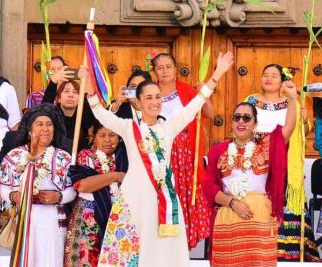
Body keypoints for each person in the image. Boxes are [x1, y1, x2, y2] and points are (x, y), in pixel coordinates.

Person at [82, 51, 233, 266]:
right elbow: (100, 113)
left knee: (163, 249)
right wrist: (88, 85)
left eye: (157, 97)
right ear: (139, 101)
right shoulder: (128, 128)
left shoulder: (169, 127)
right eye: (148, 97)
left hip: (164, 198)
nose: (154, 102)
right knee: (134, 248)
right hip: (135, 197)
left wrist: (217, 74)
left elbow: (196, 103)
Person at [205, 78, 297, 266]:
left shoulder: (266, 146)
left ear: (255, 124)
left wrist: (294, 98)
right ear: (231, 122)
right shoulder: (218, 150)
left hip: (259, 217)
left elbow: (288, 128)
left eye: (247, 118)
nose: (241, 121)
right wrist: (232, 202)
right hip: (228, 216)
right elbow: (208, 187)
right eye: (237, 117)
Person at [245, 64, 321, 262]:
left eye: (274, 76)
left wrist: (304, 120)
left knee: (284, 205)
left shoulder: (291, 102)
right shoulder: (251, 100)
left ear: (282, 81)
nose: (268, 78)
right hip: (256, 160)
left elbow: (302, 133)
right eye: (265, 75)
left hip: (284, 161)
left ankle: (289, 254)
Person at [151, 52, 216, 248]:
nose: (164, 71)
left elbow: (210, 114)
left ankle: (183, 243)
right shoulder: (149, 93)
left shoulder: (187, 90)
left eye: (168, 66)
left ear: (175, 69)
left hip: (185, 156)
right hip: (160, 155)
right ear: (154, 71)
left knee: (183, 196)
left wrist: (203, 92)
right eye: (160, 67)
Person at [0, 103, 75, 267]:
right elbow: (3, 187)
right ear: (29, 129)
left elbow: (73, 190)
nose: (45, 129)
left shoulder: (63, 157)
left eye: (49, 124)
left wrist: (59, 196)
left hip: (53, 222)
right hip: (25, 221)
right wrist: (14, 196)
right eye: (39, 124)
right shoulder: (14, 156)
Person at [64, 121, 127, 267]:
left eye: (112, 135)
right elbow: (83, 185)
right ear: (94, 137)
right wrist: (116, 176)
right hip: (88, 219)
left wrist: (99, 180)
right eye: (102, 135)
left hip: (118, 219)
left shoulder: (126, 158)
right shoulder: (85, 155)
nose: (107, 140)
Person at [42, 57, 96, 143]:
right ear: (58, 98)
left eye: (75, 92)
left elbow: (94, 121)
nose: (71, 95)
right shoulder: (53, 115)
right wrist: (53, 82)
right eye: (66, 91)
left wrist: (87, 81)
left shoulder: (83, 113)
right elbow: (44, 110)